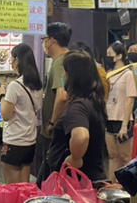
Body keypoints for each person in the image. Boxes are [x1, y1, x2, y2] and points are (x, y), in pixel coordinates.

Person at [42, 51, 108, 182]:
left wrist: (74, 158)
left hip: (74, 183)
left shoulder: (78, 106)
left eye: (65, 72)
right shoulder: (93, 100)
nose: (63, 76)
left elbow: (81, 136)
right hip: (92, 175)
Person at [0, 44, 43, 183]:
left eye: (12, 59)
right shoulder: (37, 85)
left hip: (13, 142)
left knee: (11, 188)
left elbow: (6, 115)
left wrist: (2, 95)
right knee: (23, 186)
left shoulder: (15, 86)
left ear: (18, 60)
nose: (11, 62)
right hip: (30, 141)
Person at [35, 22, 71, 177]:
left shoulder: (59, 62)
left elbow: (62, 95)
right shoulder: (70, 58)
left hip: (57, 129)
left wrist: (52, 122)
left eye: (45, 39)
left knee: (51, 175)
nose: (44, 43)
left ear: (52, 41)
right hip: (68, 126)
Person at [104, 42, 137, 175]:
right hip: (109, 118)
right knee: (112, 155)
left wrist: (125, 125)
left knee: (125, 157)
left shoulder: (128, 74)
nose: (107, 57)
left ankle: (126, 186)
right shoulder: (108, 74)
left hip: (122, 119)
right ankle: (111, 184)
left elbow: (130, 99)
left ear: (119, 56)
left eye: (109, 54)